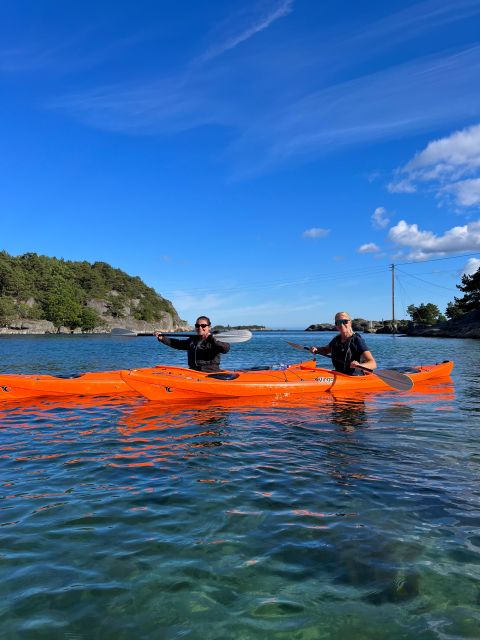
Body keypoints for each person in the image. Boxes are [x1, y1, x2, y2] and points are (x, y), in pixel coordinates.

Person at [154, 315, 230, 373]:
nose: (200, 328)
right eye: (197, 326)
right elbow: (178, 344)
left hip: (210, 372)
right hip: (194, 372)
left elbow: (226, 349)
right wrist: (163, 338)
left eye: (203, 326)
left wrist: (211, 339)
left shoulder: (216, 338)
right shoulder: (193, 340)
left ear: (209, 327)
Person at [310, 311, 377, 375]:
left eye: (344, 321)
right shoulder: (336, 340)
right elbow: (325, 350)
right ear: (336, 325)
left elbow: (373, 363)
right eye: (338, 322)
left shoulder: (357, 340)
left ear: (350, 323)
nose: (341, 324)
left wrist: (359, 365)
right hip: (338, 375)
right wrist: (316, 349)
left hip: (354, 377)